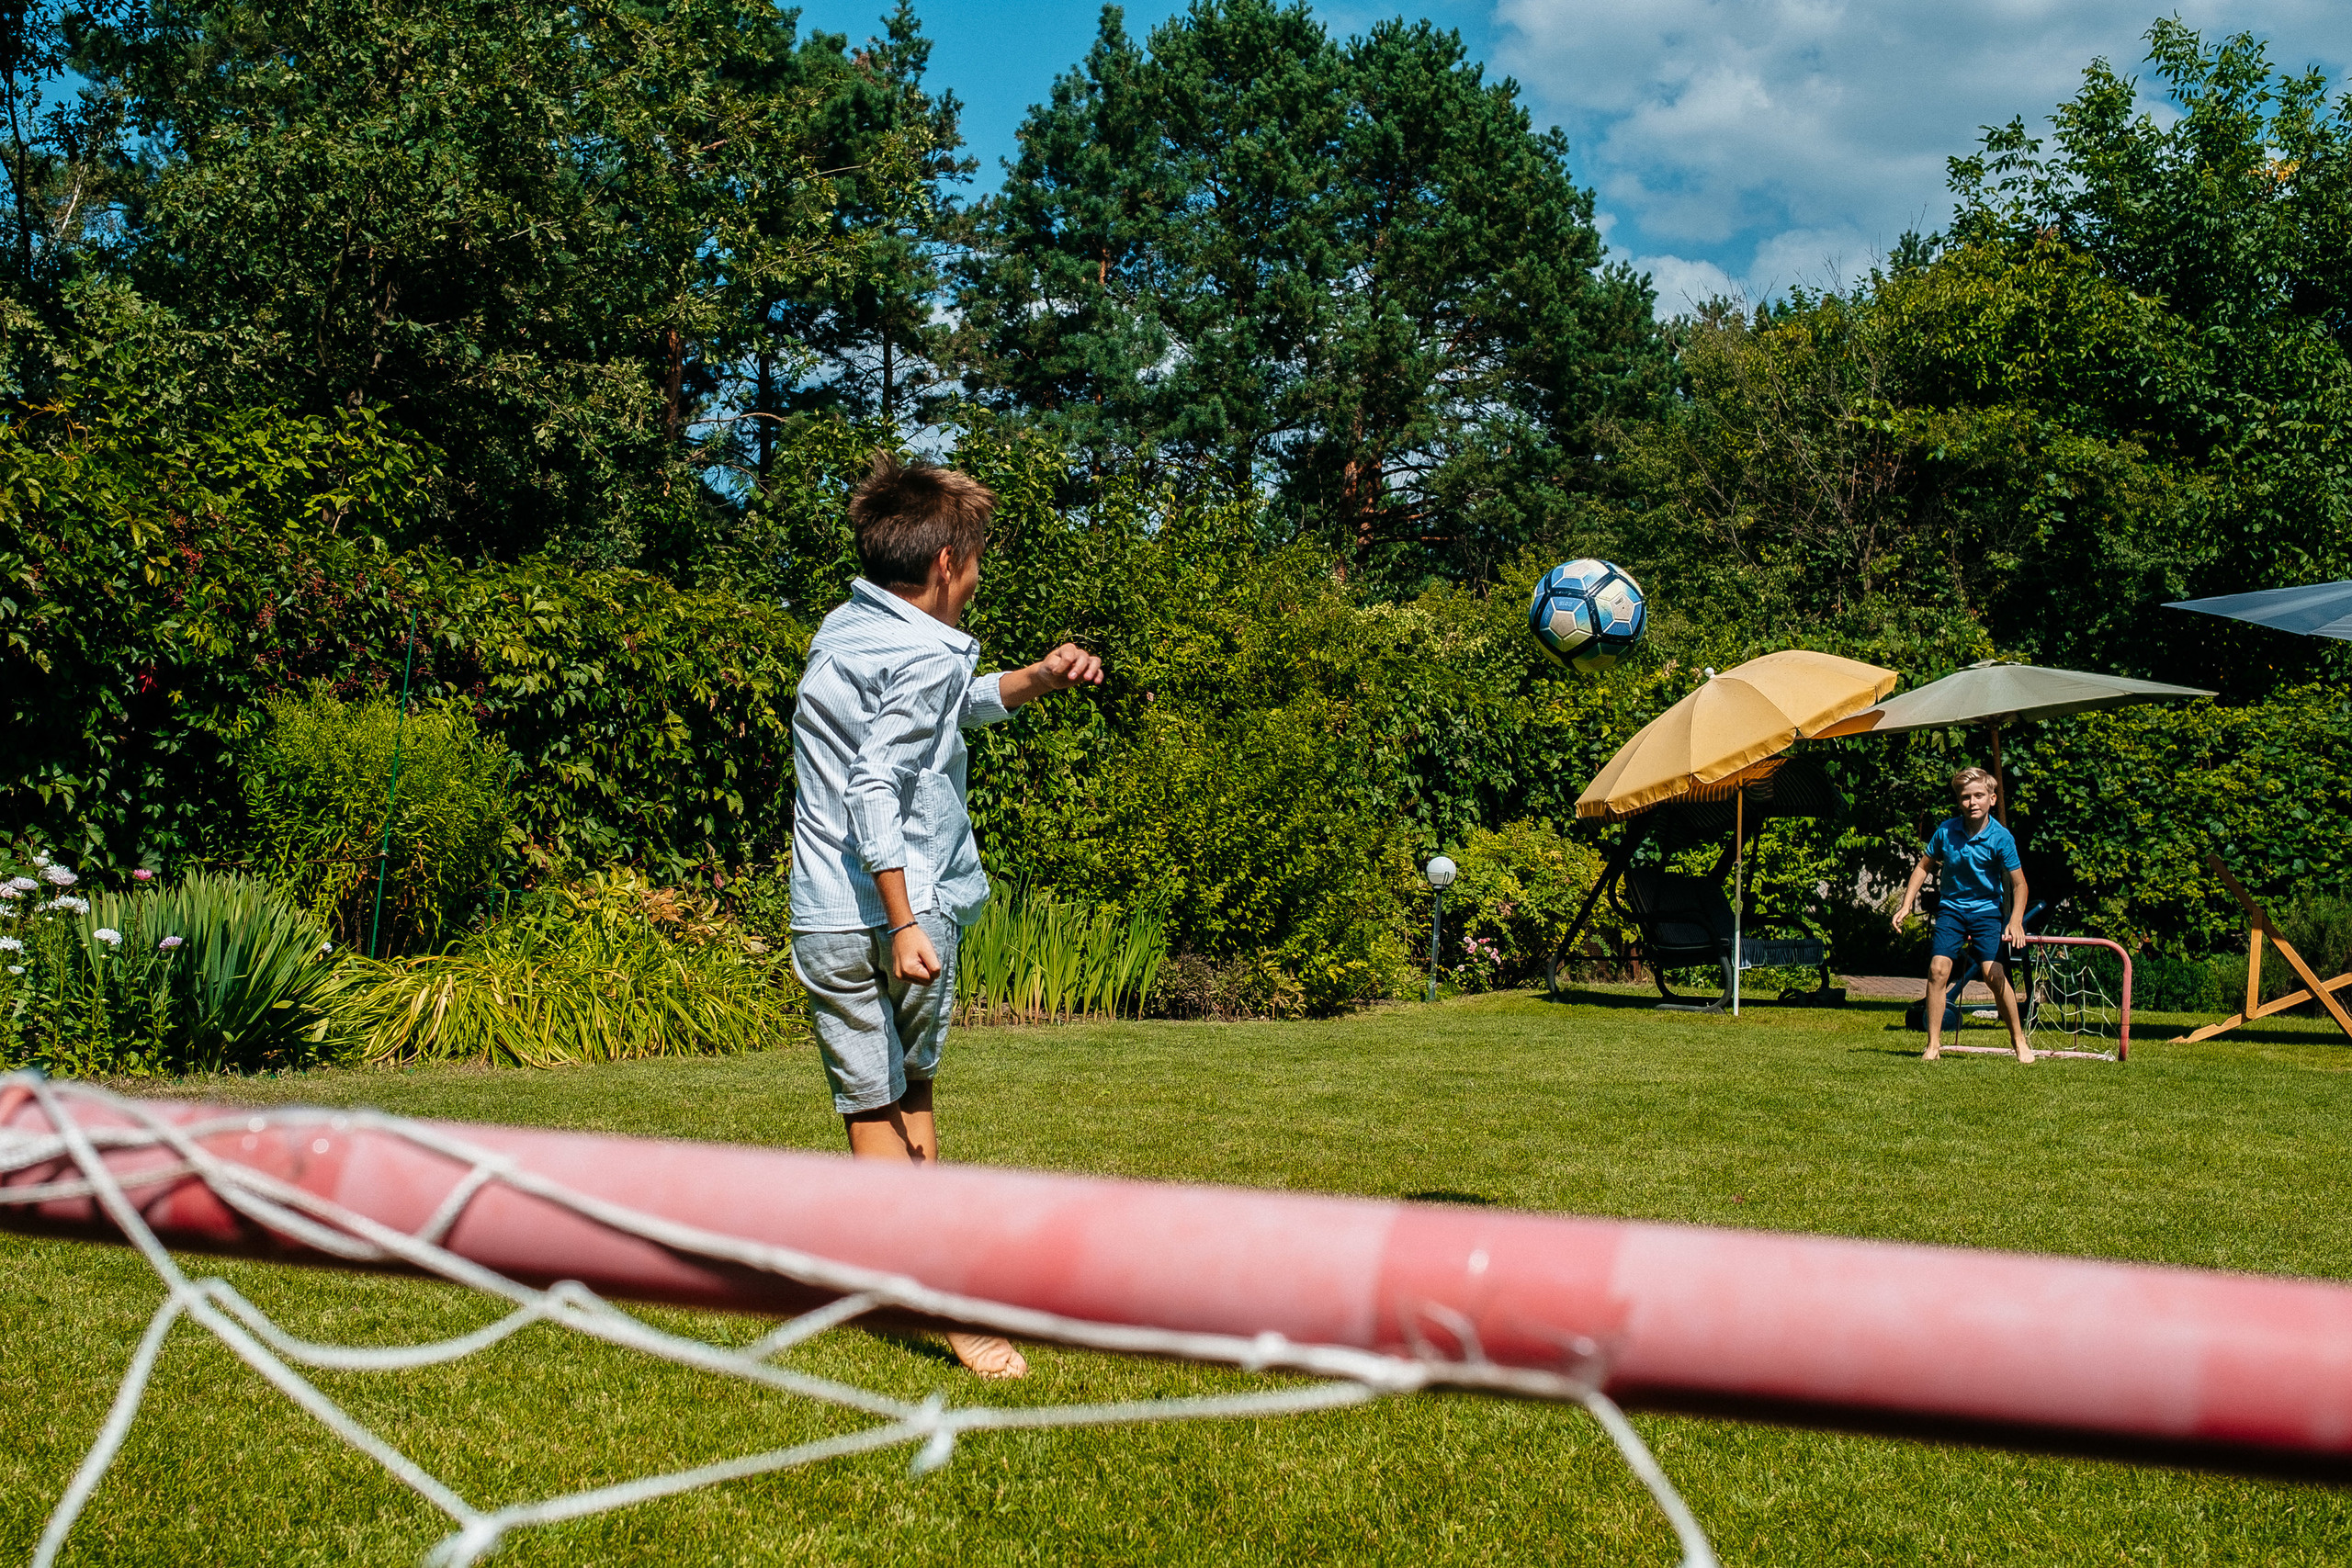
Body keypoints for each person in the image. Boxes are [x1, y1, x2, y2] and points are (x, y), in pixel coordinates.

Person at [789, 451, 1104, 1380]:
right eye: (975, 563)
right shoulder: (925, 650)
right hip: (905, 907)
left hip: (825, 912)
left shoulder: (847, 627)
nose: (976, 579)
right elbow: (874, 784)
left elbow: (939, 710)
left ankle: (913, 1267)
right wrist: (902, 922)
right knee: (898, 1097)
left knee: (884, 1098)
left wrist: (1035, 678)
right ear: (944, 564)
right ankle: (949, 1298)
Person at [1891, 767, 2032, 1064]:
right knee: (1937, 970)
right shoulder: (1946, 831)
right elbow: (1923, 867)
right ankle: (1933, 1045)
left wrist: (2016, 920)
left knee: (1993, 975)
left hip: (1987, 912)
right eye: (1966, 797)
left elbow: (2020, 885)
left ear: (1992, 799)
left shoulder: (2001, 838)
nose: (1972, 802)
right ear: (1959, 801)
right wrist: (1906, 904)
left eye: (1979, 796)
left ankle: (2019, 1040)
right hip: (1952, 910)